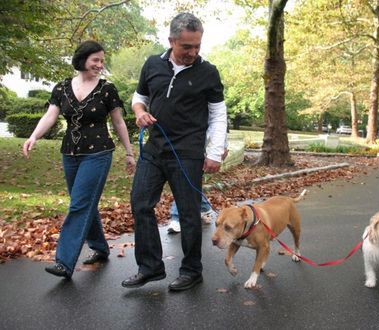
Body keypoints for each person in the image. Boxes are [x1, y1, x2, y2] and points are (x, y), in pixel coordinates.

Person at [122, 12, 227, 291]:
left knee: (190, 213)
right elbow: (139, 96)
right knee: (140, 203)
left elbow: (218, 113)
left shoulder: (208, 72)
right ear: (171, 41)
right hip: (154, 149)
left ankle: (192, 270)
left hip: (187, 152)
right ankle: (150, 267)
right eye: (186, 47)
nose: (193, 52)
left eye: (197, 46)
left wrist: (215, 152)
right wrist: (139, 111)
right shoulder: (152, 64)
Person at [22, 40, 135, 279]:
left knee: (79, 205)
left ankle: (64, 261)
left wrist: (129, 152)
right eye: (96, 60)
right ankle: (101, 248)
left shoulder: (107, 89)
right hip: (70, 154)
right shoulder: (62, 87)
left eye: (102, 61)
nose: (100, 65)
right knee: (84, 202)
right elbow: (51, 115)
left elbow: (118, 122)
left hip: (98, 153)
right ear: (82, 59)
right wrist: (33, 136)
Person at [167, 147, 228, 234]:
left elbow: (219, 133)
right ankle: (204, 207)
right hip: (177, 151)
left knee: (184, 183)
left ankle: (176, 218)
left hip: (197, 152)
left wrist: (221, 149)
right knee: (190, 184)